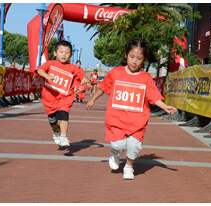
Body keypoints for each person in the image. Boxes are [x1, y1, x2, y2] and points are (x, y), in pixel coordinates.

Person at [86, 38, 177, 180]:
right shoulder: (116, 73)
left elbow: (153, 96)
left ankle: (129, 167)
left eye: (139, 58)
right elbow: (103, 87)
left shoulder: (146, 78)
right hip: (117, 119)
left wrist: (165, 107)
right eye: (132, 57)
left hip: (137, 122)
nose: (135, 61)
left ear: (144, 60)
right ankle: (115, 154)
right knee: (118, 144)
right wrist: (92, 99)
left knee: (133, 146)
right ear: (126, 55)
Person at [37, 40, 87, 148]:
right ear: (55, 53)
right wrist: (47, 76)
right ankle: (56, 133)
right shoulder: (50, 63)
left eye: (67, 52)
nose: (64, 55)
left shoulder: (74, 68)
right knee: (53, 121)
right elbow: (40, 71)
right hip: (49, 98)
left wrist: (84, 81)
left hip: (65, 97)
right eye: (61, 52)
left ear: (71, 55)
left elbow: (84, 78)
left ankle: (64, 136)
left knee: (64, 115)